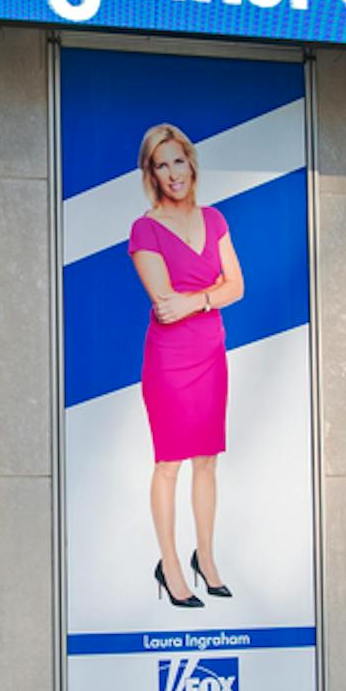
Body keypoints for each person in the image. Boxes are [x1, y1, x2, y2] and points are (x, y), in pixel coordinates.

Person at [129, 123, 244, 609]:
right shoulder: (145, 228)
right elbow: (164, 304)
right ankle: (170, 564)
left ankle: (207, 558)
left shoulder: (215, 220)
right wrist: (211, 294)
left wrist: (198, 299)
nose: (173, 172)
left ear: (190, 163)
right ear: (151, 173)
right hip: (170, 362)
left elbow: (238, 287)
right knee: (169, 463)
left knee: (207, 460)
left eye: (178, 160)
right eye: (162, 164)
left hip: (210, 354)